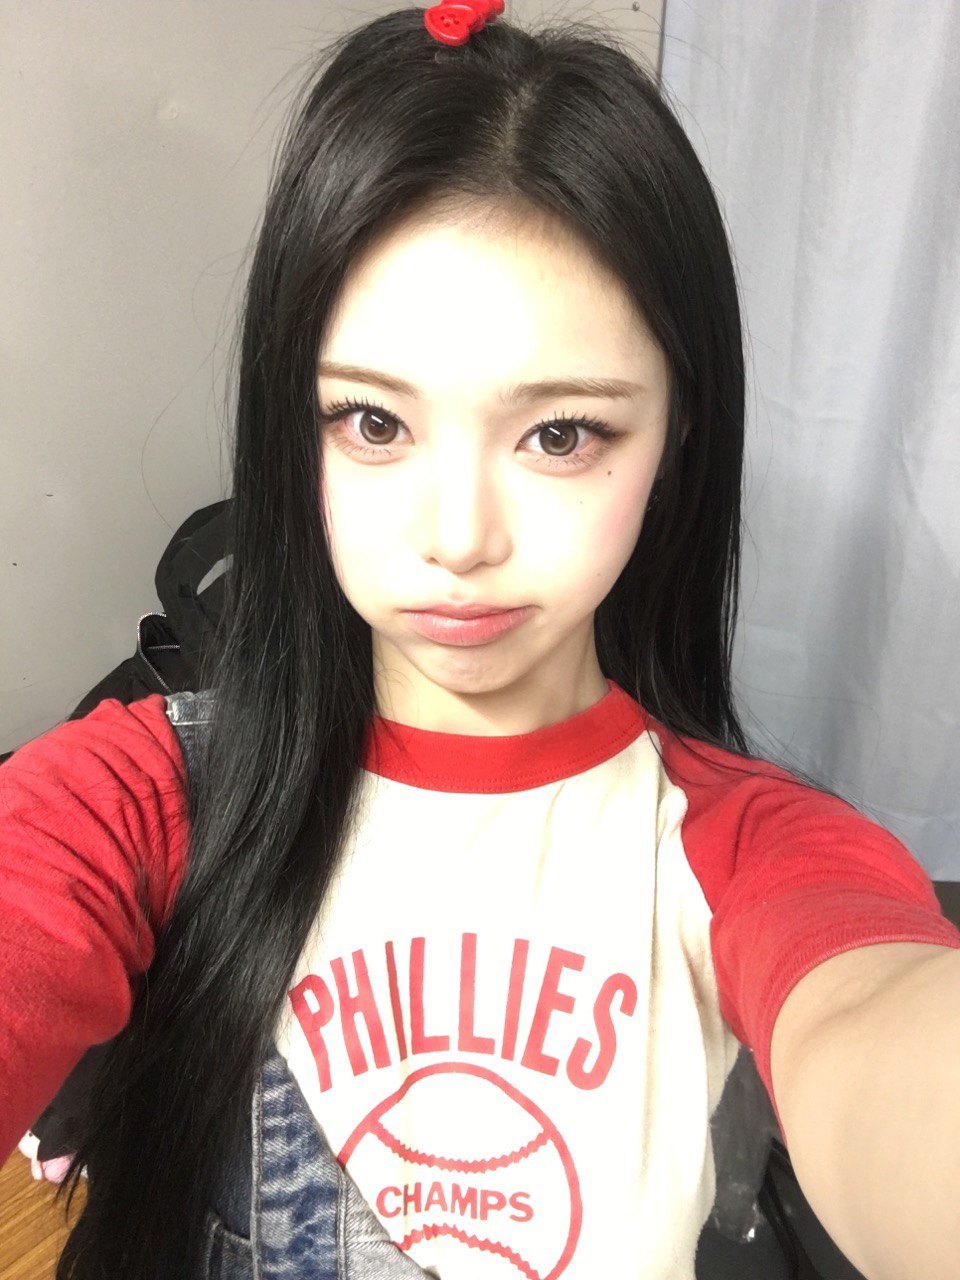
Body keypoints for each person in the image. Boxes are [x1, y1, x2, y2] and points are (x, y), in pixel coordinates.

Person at [1, 6, 958, 1280]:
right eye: (373, 423)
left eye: (560, 433)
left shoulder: (743, 851)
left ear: (677, 434)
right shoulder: (143, 796)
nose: (457, 537)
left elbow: (877, 1022)